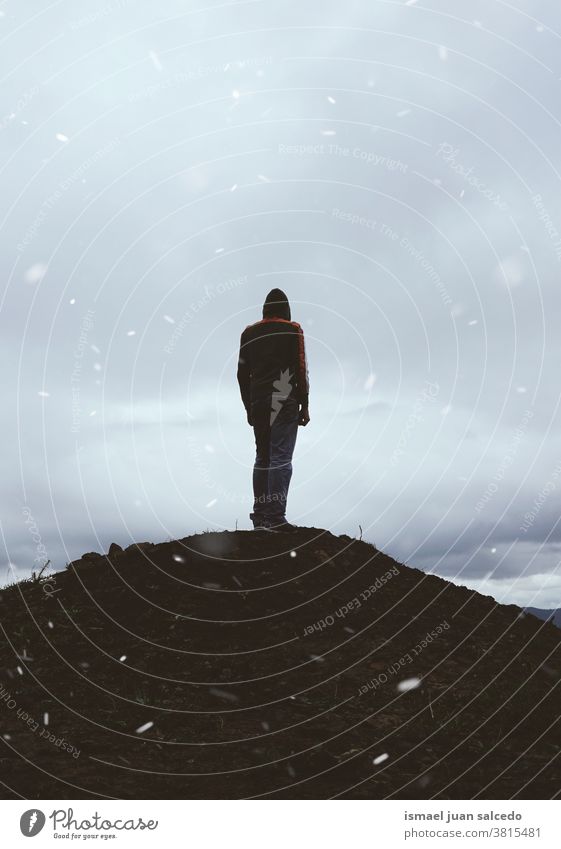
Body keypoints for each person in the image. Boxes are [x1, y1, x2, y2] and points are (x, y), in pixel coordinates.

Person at [237, 289, 310, 532]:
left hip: (258, 401)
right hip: (283, 399)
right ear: (286, 309)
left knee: (263, 457)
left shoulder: (248, 333)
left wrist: (249, 406)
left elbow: (241, 374)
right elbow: (300, 368)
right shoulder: (292, 329)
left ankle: (260, 517)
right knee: (280, 457)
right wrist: (305, 403)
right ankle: (276, 518)